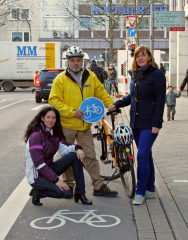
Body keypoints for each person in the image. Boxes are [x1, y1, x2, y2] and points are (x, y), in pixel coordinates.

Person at [48, 46, 118, 197]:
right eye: (72, 60)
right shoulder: (60, 79)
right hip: (67, 125)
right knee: (67, 158)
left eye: (78, 60)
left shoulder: (90, 76)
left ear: (82, 61)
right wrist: (72, 112)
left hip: (84, 126)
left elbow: (101, 93)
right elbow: (54, 101)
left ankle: (98, 186)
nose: (75, 63)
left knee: (90, 156)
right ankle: (69, 186)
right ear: (68, 61)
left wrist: (111, 104)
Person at [109, 45, 166, 205]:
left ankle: (140, 192)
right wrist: (117, 104)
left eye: (143, 55)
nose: (140, 58)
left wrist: (157, 123)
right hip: (136, 123)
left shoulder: (157, 75)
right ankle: (150, 189)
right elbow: (131, 97)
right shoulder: (135, 75)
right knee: (147, 155)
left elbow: (161, 100)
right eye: (138, 56)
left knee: (141, 156)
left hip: (150, 124)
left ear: (149, 57)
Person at [23, 106, 92, 206]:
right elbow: (39, 164)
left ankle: (80, 193)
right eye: (48, 117)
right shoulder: (36, 136)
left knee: (74, 156)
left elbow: (64, 147)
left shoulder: (52, 133)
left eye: (53, 118)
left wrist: (77, 148)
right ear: (42, 118)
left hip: (48, 170)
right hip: (37, 176)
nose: (51, 120)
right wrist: (56, 180)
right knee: (65, 192)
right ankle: (37, 192)